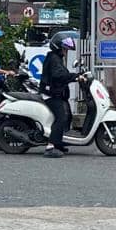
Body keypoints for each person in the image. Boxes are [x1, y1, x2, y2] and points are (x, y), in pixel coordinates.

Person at [41, 30, 80, 159]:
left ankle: (58, 141)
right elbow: (59, 75)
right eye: (65, 49)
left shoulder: (56, 58)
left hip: (57, 94)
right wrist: (75, 77)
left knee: (67, 115)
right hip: (51, 94)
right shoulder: (54, 59)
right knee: (61, 117)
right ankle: (50, 146)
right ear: (58, 48)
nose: (66, 52)